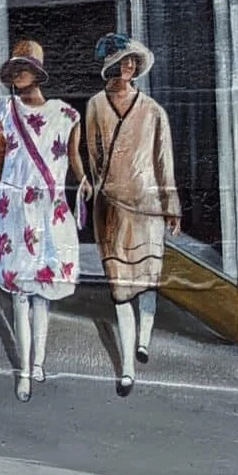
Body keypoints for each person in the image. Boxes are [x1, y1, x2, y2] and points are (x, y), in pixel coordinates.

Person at [0, 41, 83, 402]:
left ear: (37, 72)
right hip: (14, 211)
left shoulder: (67, 115)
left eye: (24, 68)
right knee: (20, 295)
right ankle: (23, 370)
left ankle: (38, 361)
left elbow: (74, 160)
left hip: (49, 211)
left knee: (42, 294)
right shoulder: (6, 113)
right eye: (14, 70)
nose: (18, 75)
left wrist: (85, 182)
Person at [82, 35, 177, 394]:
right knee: (121, 289)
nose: (129, 67)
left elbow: (164, 161)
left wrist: (171, 206)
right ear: (109, 66)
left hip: (148, 207)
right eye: (122, 61)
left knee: (148, 279)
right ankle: (126, 369)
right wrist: (100, 186)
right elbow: (93, 154)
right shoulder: (95, 106)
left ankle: (143, 342)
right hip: (112, 209)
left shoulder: (153, 110)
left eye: (132, 61)